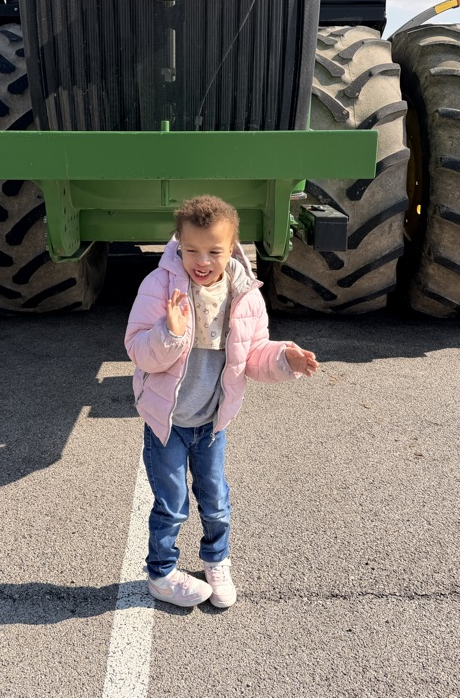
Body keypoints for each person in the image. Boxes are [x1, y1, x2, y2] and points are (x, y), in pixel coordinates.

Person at [124, 194, 318, 609]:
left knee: (215, 500)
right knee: (171, 505)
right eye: (191, 249)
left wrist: (286, 358)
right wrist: (170, 333)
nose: (202, 260)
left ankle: (217, 559)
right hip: (168, 422)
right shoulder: (160, 286)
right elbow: (138, 350)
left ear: (232, 248)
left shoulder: (244, 293)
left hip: (212, 423)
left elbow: (254, 355)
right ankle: (160, 573)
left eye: (214, 250)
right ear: (177, 243)